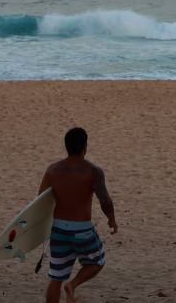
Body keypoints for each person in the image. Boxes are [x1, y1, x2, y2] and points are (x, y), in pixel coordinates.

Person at [38, 127, 118, 303]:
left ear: (66, 146)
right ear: (85, 147)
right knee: (97, 260)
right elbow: (104, 199)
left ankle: (65, 285)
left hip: (58, 229)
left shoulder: (52, 170)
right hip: (82, 229)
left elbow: (40, 201)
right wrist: (111, 220)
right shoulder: (93, 171)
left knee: (56, 276)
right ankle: (72, 285)